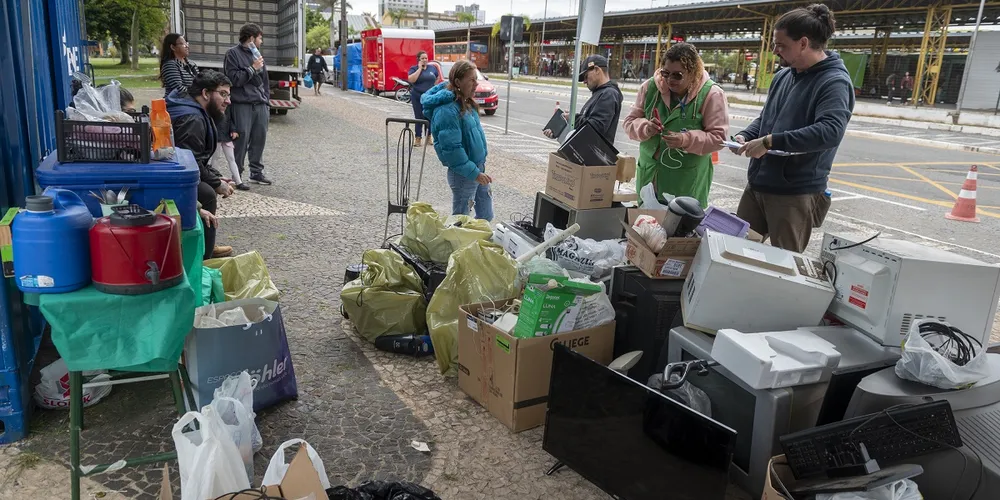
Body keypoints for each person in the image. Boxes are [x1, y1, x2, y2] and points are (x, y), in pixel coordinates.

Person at [731, 3, 855, 253]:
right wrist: (746, 135)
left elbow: (830, 131)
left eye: (781, 45)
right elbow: (766, 119)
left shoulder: (834, 82)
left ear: (803, 43)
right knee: (735, 250)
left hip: (794, 193)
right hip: (758, 184)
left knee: (784, 262)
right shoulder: (783, 76)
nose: (775, 51)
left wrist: (769, 142)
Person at [623, 42, 728, 208]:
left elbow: (718, 139)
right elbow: (629, 122)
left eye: (677, 75)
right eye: (665, 73)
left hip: (685, 183)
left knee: (679, 223)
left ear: (693, 73)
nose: (669, 80)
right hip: (649, 178)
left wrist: (685, 140)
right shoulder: (650, 87)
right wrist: (645, 128)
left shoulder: (712, 94)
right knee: (646, 222)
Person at [166, 70, 236, 259]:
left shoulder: (192, 108)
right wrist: (216, 183)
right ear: (205, 93)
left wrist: (215, 175)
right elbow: (190, 163)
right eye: (223, 94)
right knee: (207, 193)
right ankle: (203, 255)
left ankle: (205, 242)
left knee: (208, 187)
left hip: (172, 168)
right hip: (170, 176)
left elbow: (197, 157)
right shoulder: (193, 119)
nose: (228, 101)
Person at [421, 60, 493, 221]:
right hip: (464, 174)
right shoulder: (446, 110)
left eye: (476, 79)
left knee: (486, 215)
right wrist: (475, 173)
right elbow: (452, 151)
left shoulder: (466, 102)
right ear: (458, 82)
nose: (476, 84)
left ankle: (476, 237)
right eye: (471, 80)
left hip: (477, 168)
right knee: (460, 221)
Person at [224, 23, 272, 185]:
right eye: (260, 38)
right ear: (251, 38)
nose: (261, 41)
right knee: (241, 139)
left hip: (260, 103)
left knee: (259, 138)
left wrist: (266, 99)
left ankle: (256, 172)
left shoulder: (257, 54)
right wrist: (252, 68)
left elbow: (264, 80)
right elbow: (233, 79)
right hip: (241, 104)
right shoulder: (232, 54)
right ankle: (237, 175)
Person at [544, 55, 623, 144]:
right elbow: (584, 127)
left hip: (592, 152)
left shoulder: (609, 94)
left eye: (586, 76)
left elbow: (595, 128)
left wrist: (573, 118)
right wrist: (560, 130)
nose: (584, 82)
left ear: (597, 70)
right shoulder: (600, 93)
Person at [407, 51, 440, 147]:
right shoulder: (414, 69)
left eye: (426, 58)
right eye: (422, 58)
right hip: (417, 96)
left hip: (429, 97)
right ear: (418, 59)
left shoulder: (432, 68)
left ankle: (429, 136)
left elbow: (437, 77)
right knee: (419, 117)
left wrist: (434, 87)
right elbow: (411, 79)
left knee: (429, 116)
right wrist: (420, 69)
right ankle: (418, 137)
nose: (425, 60)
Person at [213, 105, 248, 191]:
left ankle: (238, 181)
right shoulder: (213, 109)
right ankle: (214, 179)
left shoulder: (227, 108)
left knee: (231, 159)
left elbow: (229, 120)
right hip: (216, 136)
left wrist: (233, 130)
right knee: (216, 158)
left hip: (226, 136)